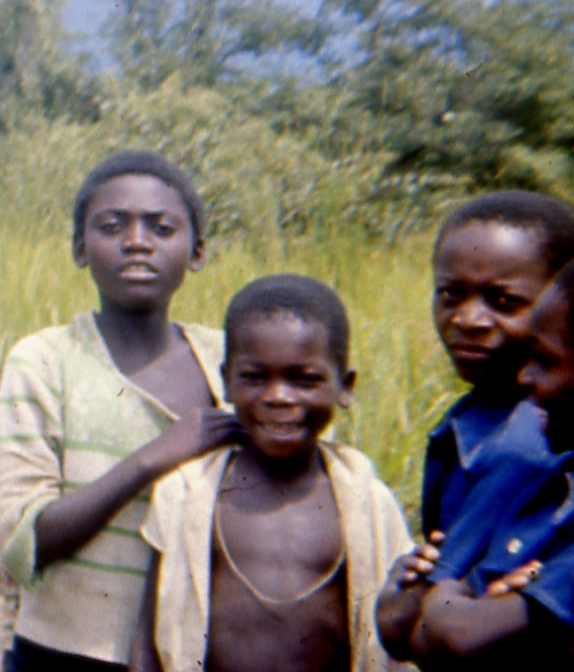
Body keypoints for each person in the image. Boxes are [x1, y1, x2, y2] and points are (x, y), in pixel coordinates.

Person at [0, 151, 236, 672]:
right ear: (81, 249)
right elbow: (21, 541)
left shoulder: (232, 361)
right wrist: (153, 459)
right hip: (64, 655)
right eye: (111, 225)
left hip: (198, 652)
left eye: (161, 227)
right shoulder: (45, 361)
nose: (137, 241)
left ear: (197, 251)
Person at [134, 275, 410, 672]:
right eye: (255, 377)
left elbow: (393, 643)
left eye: (305, 380)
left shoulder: (368, 503)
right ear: (227, 381)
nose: (279, 396)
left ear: (345, 387)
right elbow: (148, 641)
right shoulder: (186, 495)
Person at [377, 258, 574, 666]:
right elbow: (408, 627)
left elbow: (452, 633)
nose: (526, 378)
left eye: (545, 361)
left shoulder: (525, 453)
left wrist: (451, 594)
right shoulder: (549, 477)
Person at [416, 192, 574, 540]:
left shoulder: (548, 443)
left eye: (504, 301)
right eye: (450, 295)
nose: (468, 320)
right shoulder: (466, 420)